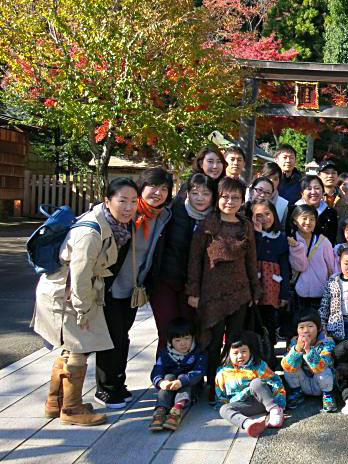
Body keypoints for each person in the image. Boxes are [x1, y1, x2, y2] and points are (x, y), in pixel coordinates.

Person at [35, 177, 139, 426]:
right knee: (79, 348)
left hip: (70, 291)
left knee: (71, 347)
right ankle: (71, 409)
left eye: (133, 201)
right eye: (122, 200)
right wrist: (83, 311)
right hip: (67, 295)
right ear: (107, 201)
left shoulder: (111, 225)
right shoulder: (91, 232)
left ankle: (54, 402)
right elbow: (80, 275)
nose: (128, 207)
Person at [99, 167, 173, 408]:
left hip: (134, 287)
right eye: (153, 187)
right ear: (143, 188)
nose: (158, 193)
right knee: (113, 337)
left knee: (123, 336)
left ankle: (118, 383)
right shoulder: (129, 213)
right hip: (111, 285)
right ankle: (107, 389)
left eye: (164, 188)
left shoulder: (162, 216)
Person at [186, 177, 261, 391]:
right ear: (218, 198)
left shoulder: (245, 226)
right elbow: (195, 260)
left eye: (236, 197)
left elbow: (251, 260)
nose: (230, 201)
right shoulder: (207, 225)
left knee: (234, 343)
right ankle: (212, 384)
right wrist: (193, 290)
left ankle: (231, 384)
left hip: (239, 292)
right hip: (212, 294)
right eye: (225, 197)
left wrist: (255, 289)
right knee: (212, 342)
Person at [148, 173, 215, 349]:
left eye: (206, 193)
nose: (200, 198)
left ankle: (188, 376)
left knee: (189, 334)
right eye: (195, 193)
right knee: (167, 332)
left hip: (195, 287)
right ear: (187, 193)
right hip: (166, 280)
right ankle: (163, 375)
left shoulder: (216, 218)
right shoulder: (172, 211)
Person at [216, 331, 286, 437]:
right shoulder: (223, 372)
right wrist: (227, 405)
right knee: (223, 409)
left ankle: (275, 411)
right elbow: (221, 396)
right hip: (246, 404)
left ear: (250, 351)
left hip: (265, 400)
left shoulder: (259, 366)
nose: (240, 356)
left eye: (244, 351)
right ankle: (249, 424)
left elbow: (276, 382)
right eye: (235, 353)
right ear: (228, 353)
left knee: (256, 383)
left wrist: (279, 402)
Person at [149, 318, 208, 432]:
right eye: (177, 340)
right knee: (168, 377)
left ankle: (177, 410)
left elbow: (199, 371)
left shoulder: (198, 352)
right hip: (171, 385)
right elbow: (158, 369)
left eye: (187, 338)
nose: (183, 343)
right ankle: (160, 410)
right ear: (170, 341)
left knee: (184, 379)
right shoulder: (165, 353)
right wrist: (161, 382)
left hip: (190, 386)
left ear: (193, 337)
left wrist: (182, 381)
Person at [251, 201, 290, 356]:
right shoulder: (252, 236)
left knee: (269, 319)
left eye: (267, 214)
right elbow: (253, 254)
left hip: (272, 284)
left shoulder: (281, 237)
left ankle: (268, 355)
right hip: (255, 282)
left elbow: (285, 267)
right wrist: (258, 233)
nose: (264, 218)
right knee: (253, 319)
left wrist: (284, 294)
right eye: (258, 216)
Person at [287, 204, 336, 318]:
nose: (308, 222)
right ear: (295, 221)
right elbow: (300, 267)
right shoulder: (291, 241)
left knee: (319, 324)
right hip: (299, 293)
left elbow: (332, 268)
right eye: (304, 218)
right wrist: (296, 248)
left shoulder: (323, 241)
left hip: (321, 292)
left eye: (312, 219)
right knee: (301, 324)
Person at [281, 313, 337, 413]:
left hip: (321, 383)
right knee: (288, 367)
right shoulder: (294, 342)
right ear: (297, 330)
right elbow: (287, 365)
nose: (306, 331)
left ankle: (328, 396)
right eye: (301, 327)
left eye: (310, 326)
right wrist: (297, 349)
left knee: (325, 371)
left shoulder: (327, 342)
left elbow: (323, 366)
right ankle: (297, 393)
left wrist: (308, 350)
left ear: (318, 328)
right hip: (303, 382)